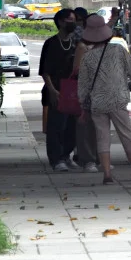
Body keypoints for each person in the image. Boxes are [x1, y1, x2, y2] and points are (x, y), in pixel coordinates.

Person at [77, 15, 131, 185]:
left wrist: (83, 105)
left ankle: (107, 175)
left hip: (97, 102)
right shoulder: (118, 50)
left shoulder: (87, 57)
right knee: (127, 136)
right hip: (118, 100)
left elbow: (83, 85)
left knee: (102, 137)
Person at [39, 9, 78, 172]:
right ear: (61, 22)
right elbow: (45, 70)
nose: (73, 23)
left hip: (73, 90)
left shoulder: (76, 44)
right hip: (55, 89)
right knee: (56, 126)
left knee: (72, 126)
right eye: (70, 20)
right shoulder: (51, 43)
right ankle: (56, 159)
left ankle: (65, 155)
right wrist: (53, 90)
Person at [71, 7, 99, 172]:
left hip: (100, 90)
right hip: (85, 90)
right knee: (85, 125)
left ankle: (96, 158)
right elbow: (77, 71)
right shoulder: (82, 47)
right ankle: (87, 158)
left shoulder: (102, 47)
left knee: (97, 127)